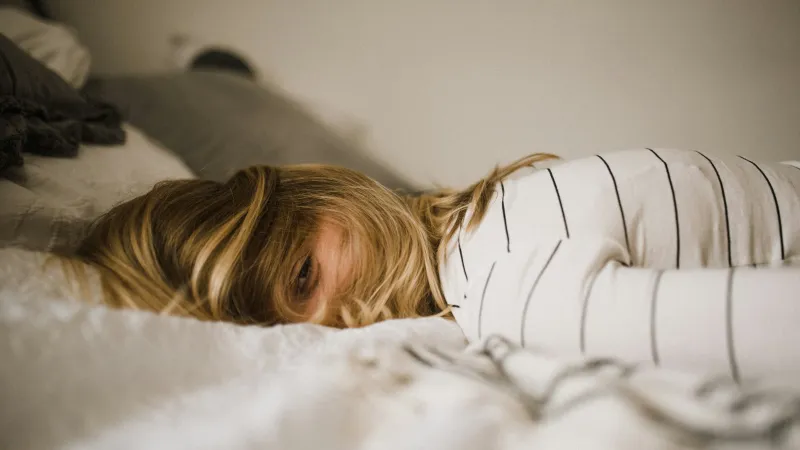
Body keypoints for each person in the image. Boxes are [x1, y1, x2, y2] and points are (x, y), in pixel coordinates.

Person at [71, 149, 800, 377]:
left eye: (302, 278)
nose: (327, 326)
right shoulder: (495, 211)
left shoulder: (507, 287)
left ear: (330, 190)